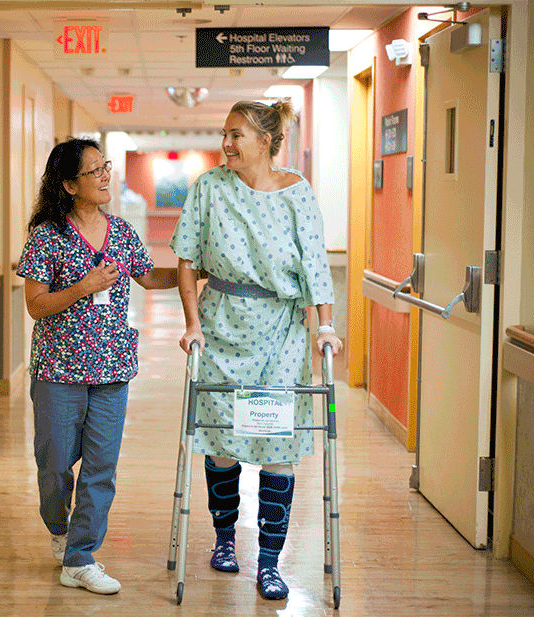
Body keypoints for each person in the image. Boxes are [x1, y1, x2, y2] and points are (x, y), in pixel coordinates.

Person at [169, 99, 342, 600]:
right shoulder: (209, 188)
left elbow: (314, 265)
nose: (226, 143)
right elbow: (186, 260)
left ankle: (270, 562)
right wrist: (192, 323)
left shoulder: (298, 193)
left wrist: (324, 328)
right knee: (221, 445)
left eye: (236, 134)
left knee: (278, 448)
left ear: (265, 141)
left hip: (282, 334)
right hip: (221, 324)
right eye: (225, 133)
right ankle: (224, 540)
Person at [17, 138, 177, 595]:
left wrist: (197, 272)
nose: (106, 175)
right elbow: (36, 305)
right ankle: (60, 529)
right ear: (69, 184)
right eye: (94, 170)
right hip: (58, 370)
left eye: (104, 166)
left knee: (101, 466)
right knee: (55, 466)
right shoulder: (47, 237)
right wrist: (84, 286)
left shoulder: (123, 233)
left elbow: (149, 276)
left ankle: (81, 558)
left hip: (111, 368)